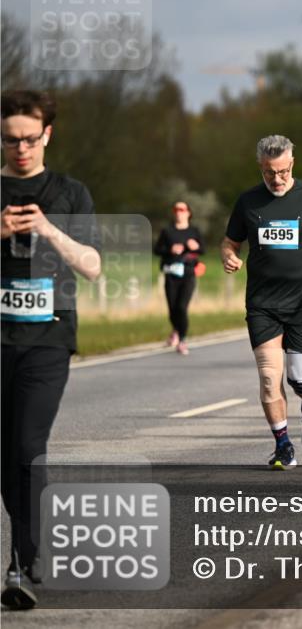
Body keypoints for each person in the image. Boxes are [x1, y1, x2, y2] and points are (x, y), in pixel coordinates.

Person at [1, 90, 102, 610]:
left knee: (26, 446)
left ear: (47, 135)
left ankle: (22, 560)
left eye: (29, 138)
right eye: (10, 139)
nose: (20, 148)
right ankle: (32, 546)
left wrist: (46, 229)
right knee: (5, 457)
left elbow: (92, 265)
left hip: (47, 339)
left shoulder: (69, 192)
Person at [221, 135, 302, 469]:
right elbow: (229, 242)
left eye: (282, 172)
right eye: (268, 173)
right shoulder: (248, 202)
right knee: (268, 378)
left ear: (292, 164)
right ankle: (283, 445)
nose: (276, 179)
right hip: (263, 305)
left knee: (300, 380)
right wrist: (229, 256)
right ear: (260, 168)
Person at [154, 201, 203, 355]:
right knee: (172, 309)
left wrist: (195, 246)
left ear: (188, 212)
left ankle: (182, 340)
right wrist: (170, 249)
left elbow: (203, 249)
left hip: (188, 274)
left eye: (182, 209)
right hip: (171, 274)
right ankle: (176, 330)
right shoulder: (167, 231)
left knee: (182, 308)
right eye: (176, 209)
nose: (179, 212)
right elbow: (157, 250)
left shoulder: (194, 231)